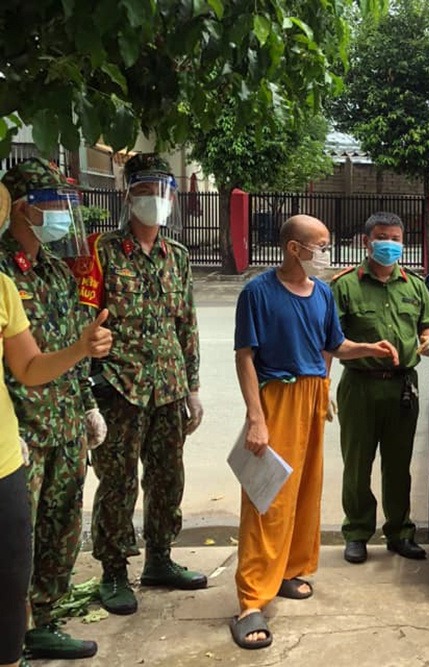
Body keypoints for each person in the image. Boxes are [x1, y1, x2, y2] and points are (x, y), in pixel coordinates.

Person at [231, 215, 398, 649]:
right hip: (277, 397)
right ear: (293, 248)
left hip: (313, 394)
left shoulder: (322, 293)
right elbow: (246, 356)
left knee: (305, 490)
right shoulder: (257, 293)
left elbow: (333, 346)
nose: (325, 254)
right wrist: (256, 417)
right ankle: (251, 601)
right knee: (267, 498)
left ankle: (286, 570)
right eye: (320, 246)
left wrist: (367, 348)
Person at [70, 153, 206, 616]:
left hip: (168, 388)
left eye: (162, 191)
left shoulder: (178, 256)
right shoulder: (100, 252)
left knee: (168, 480)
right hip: (119, 389)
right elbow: (83, 326)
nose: (155, 200)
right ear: (128, 194)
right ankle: (112, 570)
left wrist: (193, 387)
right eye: (146, 190)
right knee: (118, 482)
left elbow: (186, 324)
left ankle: (160, 559)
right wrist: (90, 393)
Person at [2, 178, 114, 667]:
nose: (65, 216)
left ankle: (43, 622)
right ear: (23, 208)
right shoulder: (2, 269)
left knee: (62, 528)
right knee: (14, 547)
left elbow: (77, 343)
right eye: (55, 205)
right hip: (23, 429)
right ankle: (14, 629)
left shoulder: (55, 271)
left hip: (65, 420)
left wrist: (87, 403)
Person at [332, 212, 429, 565]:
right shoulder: (345, 285)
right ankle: (358, 532)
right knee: (357, 463)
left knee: (398, 464)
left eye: (396, 238)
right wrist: (328, 379)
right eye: (382, 237)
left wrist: (428, 340)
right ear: (367, 242)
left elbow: (428, 324)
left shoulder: (415, 285)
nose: (390, 244)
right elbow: (330, 340)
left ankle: (400, 532)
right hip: (360, 387)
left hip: (402, 387)